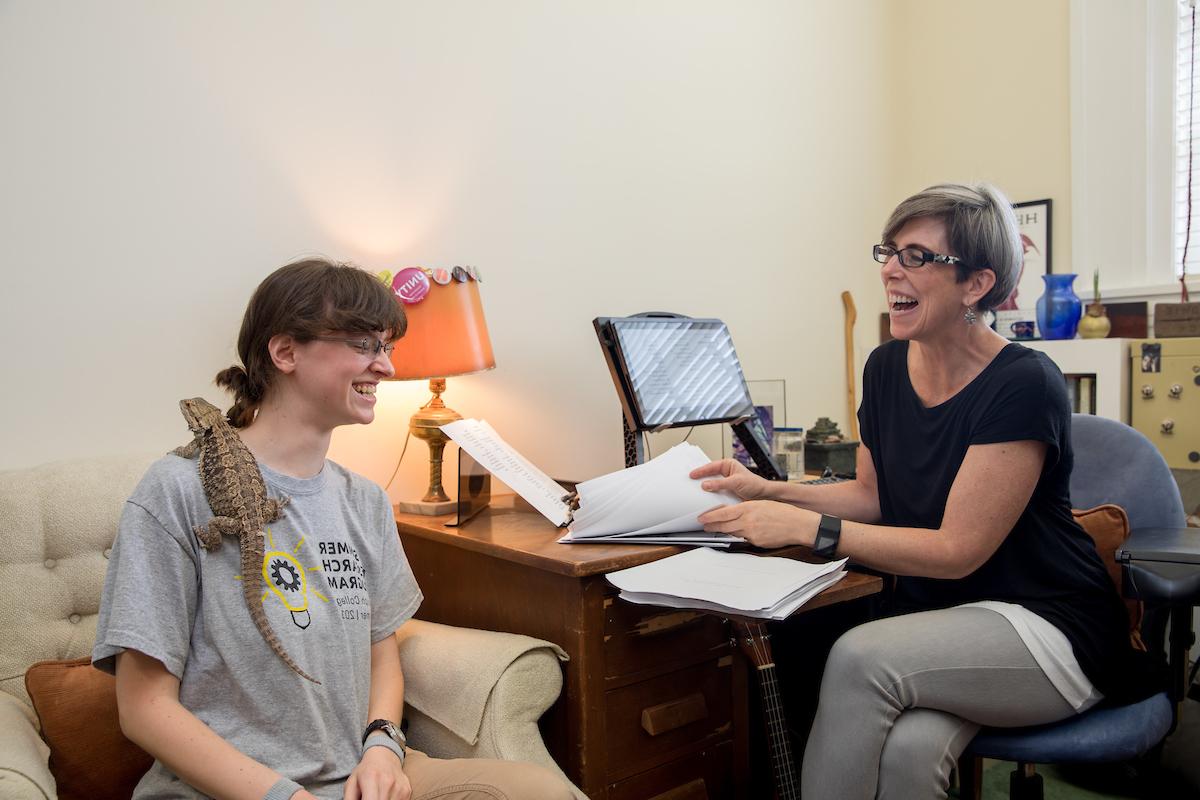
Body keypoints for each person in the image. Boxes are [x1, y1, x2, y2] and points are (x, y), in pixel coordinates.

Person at [692, 184, 1158, 799]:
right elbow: (872, 500)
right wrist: (771, 491)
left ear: (976, 284)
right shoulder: (885, 368)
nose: (891, 268)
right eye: (889, 251)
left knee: (860, 658)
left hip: (1048, 622)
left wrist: (811, 531)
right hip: (944, 621)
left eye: (916, 256)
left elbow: (957, 550)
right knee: (909, 753)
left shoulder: (1024, 381)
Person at [93, 259, 573, 800]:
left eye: (386, 347)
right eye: (365, 345)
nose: (387, 367)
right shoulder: (175, 490)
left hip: (365, 778)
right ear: (285, 352)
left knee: (543, 792)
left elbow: (381, 650)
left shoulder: (364, 500)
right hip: (229, 790)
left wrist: (382, 748)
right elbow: (144, 709)